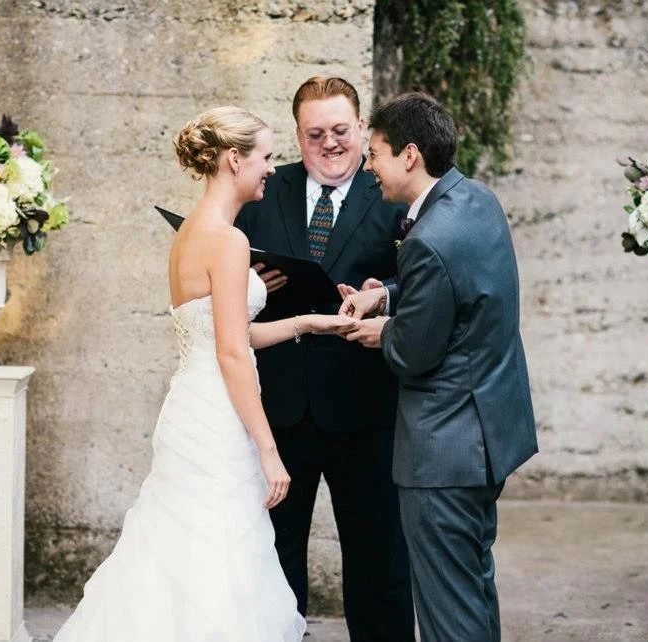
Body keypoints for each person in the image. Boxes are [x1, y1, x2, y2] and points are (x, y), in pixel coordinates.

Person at [54, 106, 354, 641]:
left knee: (180, 549)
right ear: (235, 159)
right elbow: (233, 354)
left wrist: (309, 321)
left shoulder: (192, 232)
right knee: (218, 555)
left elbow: (229, 335)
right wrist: (268, 448)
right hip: (218, 417)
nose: (270, 168)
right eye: (265, 157)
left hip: (191, 407)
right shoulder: (229, 240)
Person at [340, 92, 539, 642]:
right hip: (488, 436)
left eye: (374, 152)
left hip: (444, 456)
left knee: (447, 611)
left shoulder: (426, 238)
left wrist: (382, 331)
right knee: (471, 588)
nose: (367, 165)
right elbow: (462, 288)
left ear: (408, 155)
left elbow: (412, 353)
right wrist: (388, 295)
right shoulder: (475, 200)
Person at [235, 76, 415, 641]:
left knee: (378, 557)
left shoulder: (389, 191)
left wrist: (381, 289)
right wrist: (249, 282)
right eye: (316, 134)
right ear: (297, 135)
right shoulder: (266, 188)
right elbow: (223, 276)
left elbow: (424, 278)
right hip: (281, 409)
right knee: (275, 555)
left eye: (341, 130)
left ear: (362, 129)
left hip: (367, 409)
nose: (330, 143)